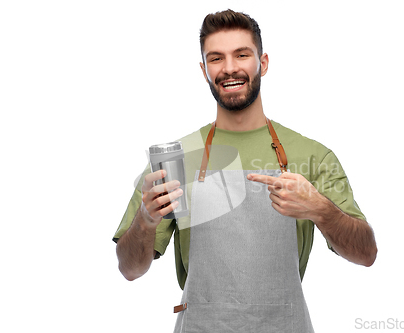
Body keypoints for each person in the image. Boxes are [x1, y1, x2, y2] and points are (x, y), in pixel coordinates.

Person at [113, 9, 377, 332]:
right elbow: (129, 268)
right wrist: (145, 220)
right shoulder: (176, 159)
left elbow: (366, 253)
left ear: (262, 63)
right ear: (204, 70)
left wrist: (321, 209)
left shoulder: (312, 156)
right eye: (216, 58)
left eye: (241, 55)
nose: (229, 68)